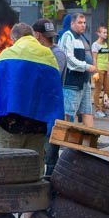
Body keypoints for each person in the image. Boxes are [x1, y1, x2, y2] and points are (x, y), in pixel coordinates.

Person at [0, 23, 64, 153]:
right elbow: (54, 94)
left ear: (14, 39)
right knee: (32, 168)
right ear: (33, 36)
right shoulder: (48, 56)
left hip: (9, 125)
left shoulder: (6, 55)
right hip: (38, 126)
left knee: (4, 167)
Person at [33, 18, 68, 173]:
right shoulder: (39, 53)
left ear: (37, 35)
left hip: (52, 108)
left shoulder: (57, 54)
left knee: (50, 154)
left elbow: (50, 79)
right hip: (38, 109)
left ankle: (51, 189)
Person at [58, 12, 98, 127]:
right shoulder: (68, 36)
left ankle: (91, 140)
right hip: (71, 83)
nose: (83, 25)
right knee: (69, 114)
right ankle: (66, 141)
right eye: (80, 23)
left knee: (87, 111)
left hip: (84, 81)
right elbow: (69, 60)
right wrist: (87, 66)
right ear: (72, 23)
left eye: (84, 23)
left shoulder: (82, 37)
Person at [91, 25, 109, 112]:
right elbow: (94, 58)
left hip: (106, 69)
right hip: (99, 70)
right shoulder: (95, 45)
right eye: (104, 32)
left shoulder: (106, 44)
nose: (106, 34)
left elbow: (108, 57)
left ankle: (103, 107)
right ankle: (97, 109)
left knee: (107, 89)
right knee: (98, 89)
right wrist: (95, 71)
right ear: (98, 34)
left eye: (106, 32)